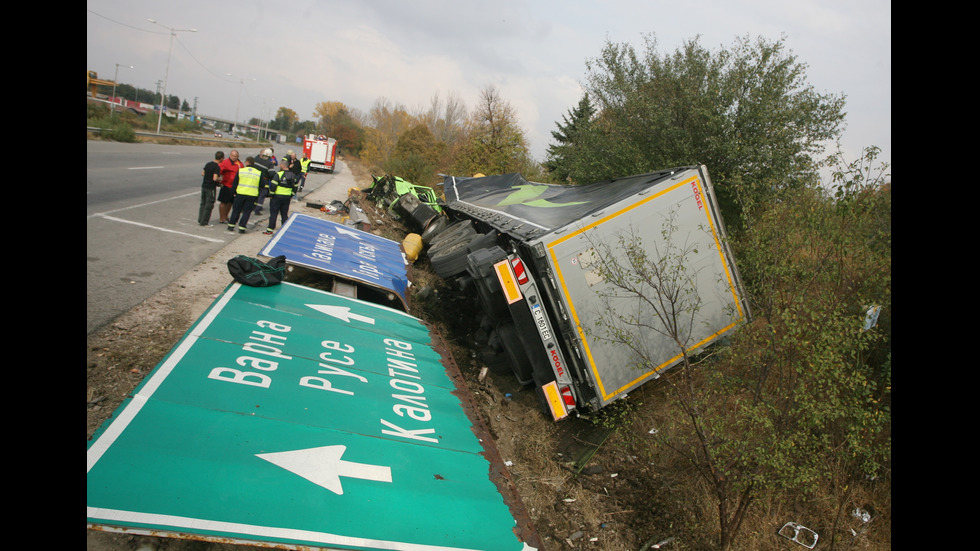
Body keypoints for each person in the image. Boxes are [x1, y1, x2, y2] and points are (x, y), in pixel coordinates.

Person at [226, 156, 265, 234]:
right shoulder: (258, 173)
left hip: (240, 193)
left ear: (247, 162)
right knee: (247, 212)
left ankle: (231, 225)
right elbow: (262, 185)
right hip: (252, 195)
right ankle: (242, 227)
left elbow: (235, 183)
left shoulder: (241, 171)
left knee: (236, 210)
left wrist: (233, 192)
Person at [264, 158, 299, 235]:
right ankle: (284, 229)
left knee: (273, 213)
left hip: (277, 197)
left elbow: (273, 185)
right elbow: (296, 187)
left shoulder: (279, 174)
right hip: (286, 198)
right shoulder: (293, 175)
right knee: (284, 214)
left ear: (283, 165)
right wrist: (291, 195)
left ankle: (270, 229)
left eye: (280, 164)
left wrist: (271, 195)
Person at [217, 149, 243, 224]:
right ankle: (221, 218)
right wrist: (219, 180)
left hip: (234, 187)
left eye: (235, 156)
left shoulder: (240, 164)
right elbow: (219, 171)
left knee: (230, 202)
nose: (233, 157)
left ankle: (225, 216)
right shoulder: (225, 162)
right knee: (223, 202)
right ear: (230, 155)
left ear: (238, 156)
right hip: (226, 185)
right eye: (232, 155)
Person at [198, 150, 224, 226]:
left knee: (203, 203)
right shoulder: (216, 167)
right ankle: (204, 222)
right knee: (209, 205)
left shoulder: (208, 164)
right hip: (211, 187)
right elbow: (215, 178)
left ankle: (200, 219)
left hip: (204, 186)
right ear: (221, 158)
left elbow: (203, 173)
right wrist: (220, 179)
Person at [252, 148, 277, 215]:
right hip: (264, 182)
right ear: (270, 156)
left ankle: (253, 206)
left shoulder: (256, 159)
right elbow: (271, 174)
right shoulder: (269, 164)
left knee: (255, 195)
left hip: (255, 180)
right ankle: (257, 210)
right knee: (262, 196)